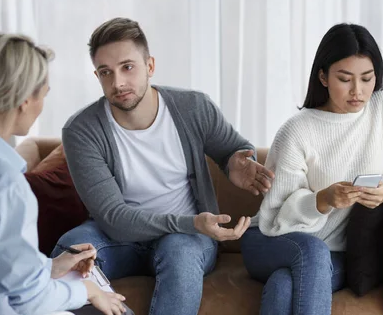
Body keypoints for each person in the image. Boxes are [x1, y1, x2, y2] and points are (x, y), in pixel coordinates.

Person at [52, 17, 275, 315]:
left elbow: (234, 150)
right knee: (71, 250)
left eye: (127, 67)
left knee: (180, 251)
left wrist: (233, 162)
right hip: (121, 238)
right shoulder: (81, 131)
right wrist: (191, 222)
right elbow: (114, 218)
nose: (118, 82)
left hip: (186, 239)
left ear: (150, 66)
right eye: (106, 72)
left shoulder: (193, 107)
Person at [0, 33, 127, 315]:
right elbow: (29, 299)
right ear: (24, 100)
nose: (42, 104)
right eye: (44, 93)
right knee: (112, 309)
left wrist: (50, 266)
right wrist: (88, 291)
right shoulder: (4, 183)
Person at [240, 23, 383, 315]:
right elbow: (274, 217)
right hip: (271, 242)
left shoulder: (381, 111)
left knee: (282, 286)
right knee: (312, 251)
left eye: (367, 79)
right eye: (345, 79)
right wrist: (323, 200)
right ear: (323, 77)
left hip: (336, 254)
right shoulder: (297, 131)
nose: (358, 91)